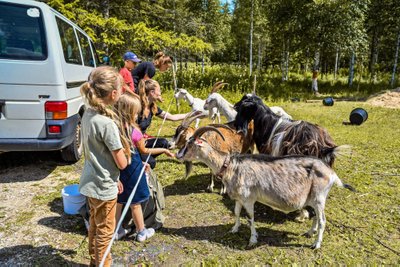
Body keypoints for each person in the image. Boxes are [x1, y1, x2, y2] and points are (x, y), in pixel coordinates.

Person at [79, 66, 130, 267]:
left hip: (91, 182)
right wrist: (127, 151)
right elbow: (122, 163)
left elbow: (101, 157)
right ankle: (103, 264)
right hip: (103, 188)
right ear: (114, 94)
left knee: (95, 224)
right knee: (106, 232)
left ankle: (95, 261)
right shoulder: (106, 124)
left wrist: (115, 179)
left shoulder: (88, 113)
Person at [113, 91, 174, 241]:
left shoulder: (114, 129)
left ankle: (117, 230)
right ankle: (141, 231)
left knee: (119, 201)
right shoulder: (135, 132)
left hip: (120, 171)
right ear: (130, 112)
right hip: (133, 171)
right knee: (135, 203)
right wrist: (164, 149)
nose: (136, 116)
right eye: (135, 113)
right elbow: (144, 150)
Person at [137, 79, 188, 168]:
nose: (160, 92)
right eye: (159, 90)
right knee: (152, 163)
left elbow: (172, 117)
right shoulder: (138, 107)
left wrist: (191, 114)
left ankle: (143, 158)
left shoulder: (152, 107)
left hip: (143, 141)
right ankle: (141, 159)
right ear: (152, 92)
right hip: (135, 143)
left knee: (164, 143)